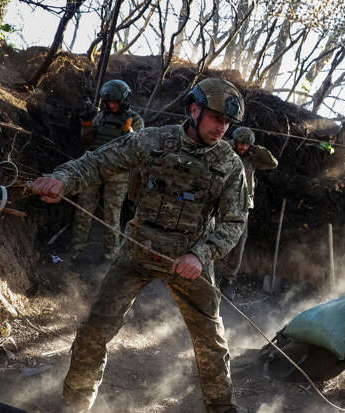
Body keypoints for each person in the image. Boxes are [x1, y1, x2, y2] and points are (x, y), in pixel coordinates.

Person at [32, 78, 248, 413]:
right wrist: (63, 178)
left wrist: (200, 254)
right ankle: (74, 404)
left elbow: (235, 222)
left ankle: (222, 408)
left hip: (190, 260)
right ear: (194, 110)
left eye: (227, 122)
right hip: (137, 250)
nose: (222, 127)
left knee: (211, 342)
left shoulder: (230, 165)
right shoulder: (153, 139)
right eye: (216, 118)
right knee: (94, 329)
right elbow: (98, 162)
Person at [74, 79, 145, 261]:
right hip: (95, 168)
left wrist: (129, 132)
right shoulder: (101, 116)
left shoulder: (135, 119)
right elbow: (87, 142)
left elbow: (139, 148)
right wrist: (87, 125)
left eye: (115, 102)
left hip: (118, 173)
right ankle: (76, 248)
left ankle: (110, 255)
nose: (112, 105)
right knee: (83, 209)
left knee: (111, 216)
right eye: (109, 102)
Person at [220, 127, 278, 297]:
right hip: (221, 203)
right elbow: (214, 146)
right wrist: (231, 144)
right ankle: (207, 273)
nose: (243, 147)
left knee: (239, 244)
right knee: (212, 235)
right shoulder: (225, 151)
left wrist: (254, 148)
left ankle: (228, 280)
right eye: (241, 143)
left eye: (247, 145)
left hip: (242, 207)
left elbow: (272, 162)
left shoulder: (253, 159)